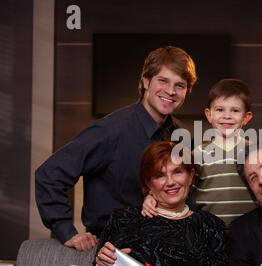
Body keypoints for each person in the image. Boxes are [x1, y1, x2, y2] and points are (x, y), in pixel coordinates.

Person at [35, 46, 197, 251]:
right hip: (116, 249)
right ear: (146, 81)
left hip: (169, 246)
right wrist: (66, 231)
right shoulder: (110, 131)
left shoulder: (182, 137)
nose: (171, 91)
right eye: (163, 81)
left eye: (180, 85)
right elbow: (49, 174)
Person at [142, 78, 262, 225]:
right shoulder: (196, 155)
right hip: (209, 231)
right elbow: (181, 190)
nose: (227, 116)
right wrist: (153, 198)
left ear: (246, 118)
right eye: (220, 110)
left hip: (252, 231)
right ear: (209, 115)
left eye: (235, 110)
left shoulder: (255, 152)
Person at [84, 141, 232, 266]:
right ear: (148, 183)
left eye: (177, 172)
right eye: (160, 175)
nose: (170, 182)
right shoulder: (123, 218)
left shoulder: (209, 225)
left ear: (190, 176)